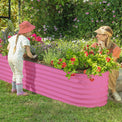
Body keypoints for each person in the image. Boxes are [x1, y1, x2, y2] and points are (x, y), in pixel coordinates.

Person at [91, 26, 121, 102]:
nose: (96, 36)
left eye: (99, 34)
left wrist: (103, 49)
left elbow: (109, 63)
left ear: (106, 36)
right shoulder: (94, 46)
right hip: (96, 67)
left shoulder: (115, 48)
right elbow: (90, 60)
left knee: (111, 68)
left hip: (109, 68)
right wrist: (98, 50)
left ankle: (113, 91)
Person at [7, 21, 37, 96]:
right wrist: (33, 57)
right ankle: (19, 92)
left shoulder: (13, 37)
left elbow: (8, 48)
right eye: (30, 31)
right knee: (19, 74)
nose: (31, 33)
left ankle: (14, 89)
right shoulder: (25, 40)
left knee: (14, 73)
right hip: (17, 59)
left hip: (10, 57)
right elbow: (29, 54)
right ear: (26, 32)